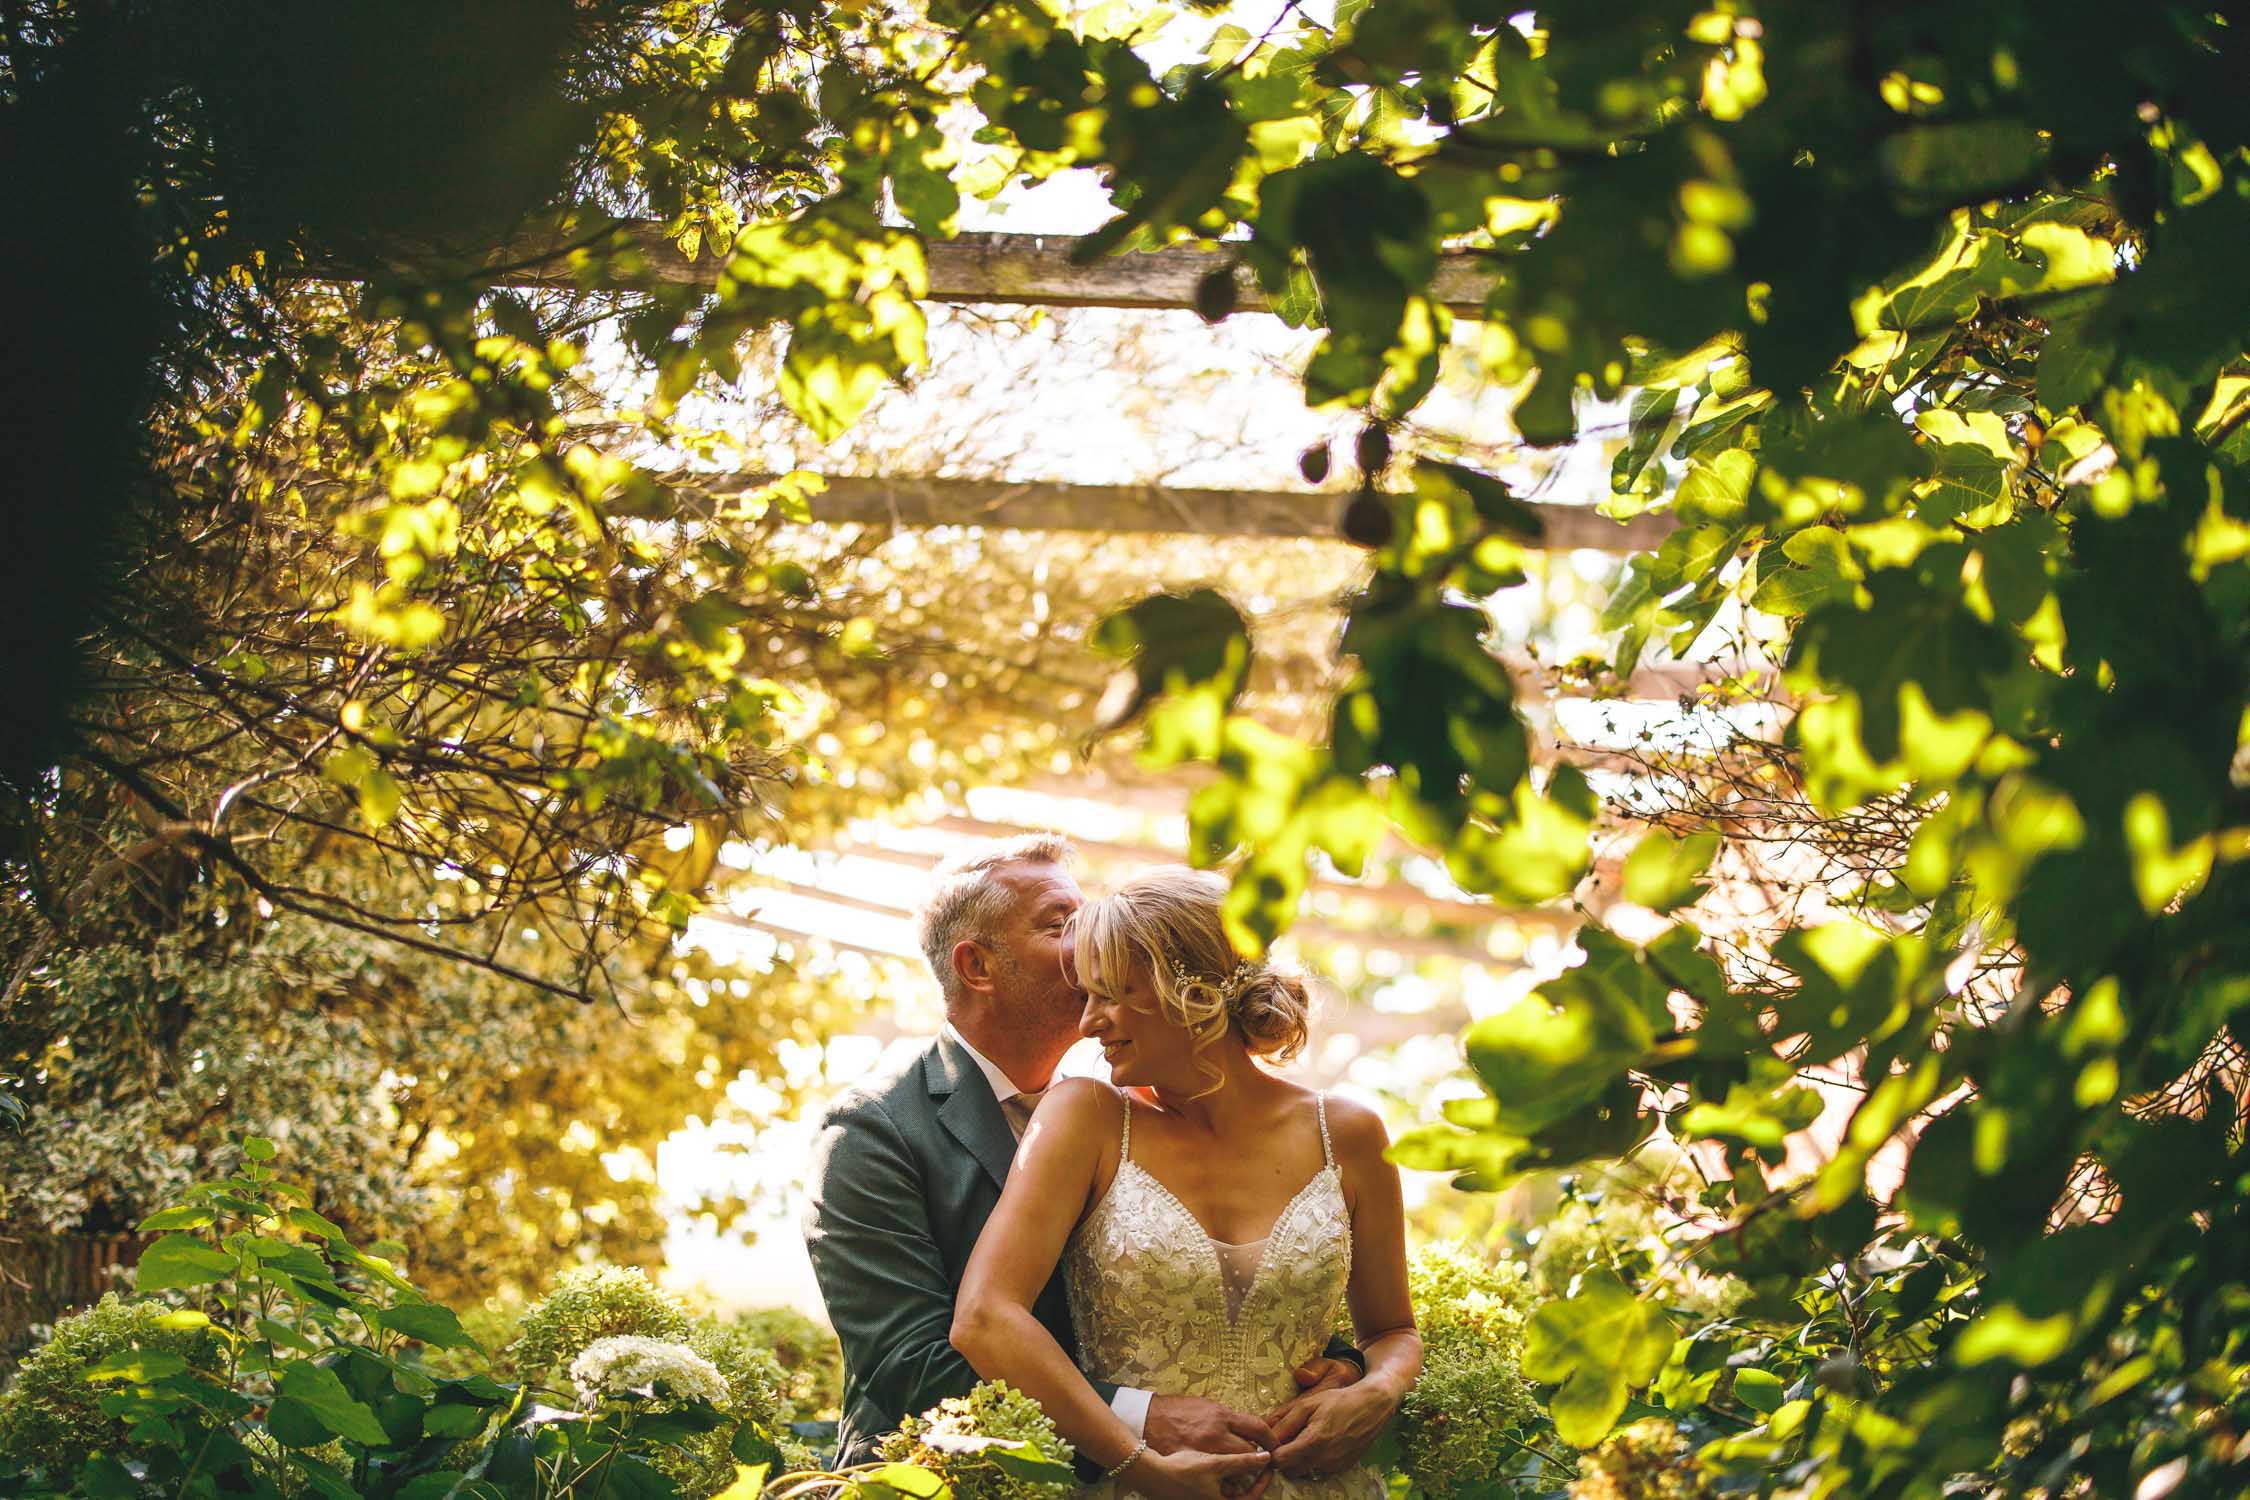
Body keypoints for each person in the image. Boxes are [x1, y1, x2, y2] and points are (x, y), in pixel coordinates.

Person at [803, 837, 1370, 1472]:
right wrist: (1138, 1422)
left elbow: (1210, 1287)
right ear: (977, 967)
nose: (1089, 943)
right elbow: (910, 1366)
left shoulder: (1137, 1104)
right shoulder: (872, 1129)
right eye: (1060, 925)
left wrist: (1343, 1366)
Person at [950, 867, 1422, 1500]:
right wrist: (1138, 1465)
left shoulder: (1351, 1134)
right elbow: (984, 1318)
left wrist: (1376, 1391)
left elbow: (1393, 1332)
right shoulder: (1085, 1119)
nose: (1089, 1022)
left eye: (1112, 993)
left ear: (1193, 991)